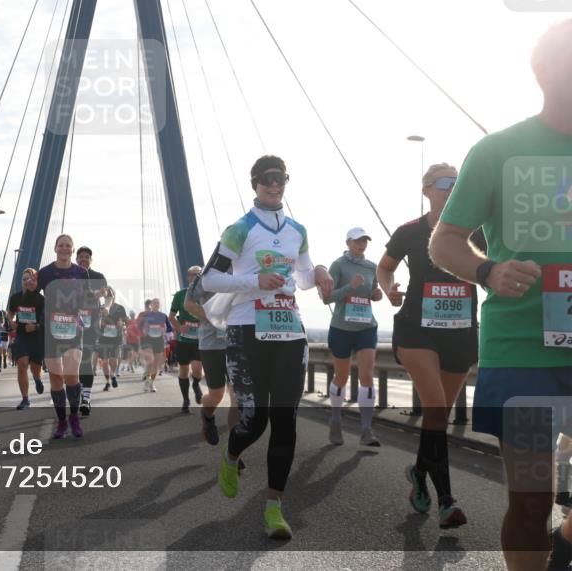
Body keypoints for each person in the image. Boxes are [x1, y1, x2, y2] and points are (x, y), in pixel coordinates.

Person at [428, 19, 572, 570]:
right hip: (522, 352)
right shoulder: (498, 151)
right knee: (532, 500)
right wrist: (488, 271)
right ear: (547, 74)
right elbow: (446, 240)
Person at [202, 155, 333, 540]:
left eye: (281, 180)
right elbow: (209, 279)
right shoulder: (240, 229)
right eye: (267, 181)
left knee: (286, 422)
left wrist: (321, 272)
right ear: (255, 184)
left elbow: (304, 277)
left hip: (289, 331)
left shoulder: (297, 230)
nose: (275, 187)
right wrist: (255, 281)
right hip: (247, 332)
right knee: (255, 418)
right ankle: (231, 454)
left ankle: (274, 506)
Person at [378, 163, 483, 529]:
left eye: (457, 183)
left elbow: (496, 263)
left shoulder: (477, 234)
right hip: (416, 331)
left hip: (461, 333)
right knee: (436, 406)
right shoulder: (409, 232)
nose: (452, 188)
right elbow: (385, 266)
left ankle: (419, 472)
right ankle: (447, 502)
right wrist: (389, 287)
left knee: (439, 416)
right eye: (444, 184)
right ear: (426, 190)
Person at [322, 227, 383, 447]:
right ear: (348, 242)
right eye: (358, 241)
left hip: (366, 326)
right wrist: (350, 286)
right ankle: (336, 419)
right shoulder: (338, 265)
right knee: (342, 376)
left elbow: (373, 292)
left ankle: (367, 430)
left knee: (367, 376)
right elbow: (326, 298)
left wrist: (377, 295)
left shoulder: (371, 267)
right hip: (342, 328)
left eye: (365, 240)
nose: (362, 244)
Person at [37, 234, 89, 438]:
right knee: (56, 378)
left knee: (71, 376)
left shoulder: (81, 272)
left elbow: (86, 299)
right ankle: (61, 422)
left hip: (73, 329)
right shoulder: (45, 272)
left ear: (72, 249)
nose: (64, 248)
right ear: (55, 248)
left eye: (68, 245)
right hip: (51, 331)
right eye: (61, 245)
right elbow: (33, 293)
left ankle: (74, 417)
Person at [183, 266, 240, 447]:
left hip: (238, 343)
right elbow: (189, 304)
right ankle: (207, 415)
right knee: (216, 394)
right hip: (212, 344)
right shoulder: (207, 274)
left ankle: (233, 451)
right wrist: (215, 318)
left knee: (237, 397)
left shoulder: (245, 269)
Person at [75, 246, 107, 416]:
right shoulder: (70, 275)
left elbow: (108, 295)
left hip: (91, 325)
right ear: (76, 259)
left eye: (86, 257)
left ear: (91, 260)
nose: (83, 259)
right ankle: (76, 391)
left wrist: (106, 307)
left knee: (86, 360)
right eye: (80, 257)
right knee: (73, 362)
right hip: (69, 324)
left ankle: (85, 397)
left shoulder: (98, 277)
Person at [8, 267, 46, 409]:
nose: (27, 282)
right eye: (24, 279)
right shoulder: (16, 297)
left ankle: (37, 379)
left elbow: (46, 319)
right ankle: (25, 399)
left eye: (30, 279)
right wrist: (11, 320)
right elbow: (10, 312)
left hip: (37, 337)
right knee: (22, 364)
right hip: (22, 335)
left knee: (36, 368)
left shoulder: (41, 299)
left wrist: (36, 326)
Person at [170, 266, 205, 414]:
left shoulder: (207, 295)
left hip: (200, 339)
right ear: (188, 277)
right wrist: (179, 327)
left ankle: (196, 384)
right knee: (184, 370)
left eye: (198, 275)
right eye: (192, 275)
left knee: (197, 369)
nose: (195, 278)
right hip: (183, 340)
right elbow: (171, 316)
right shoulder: (180, 295)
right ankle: (186, 400)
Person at [136, 298, 170, 392]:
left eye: (158, 302)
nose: (156, 304)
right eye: (154, 302)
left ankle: (151, 383)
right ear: (151, 305)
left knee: (155, 365)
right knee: (150, 362)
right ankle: (147, 380)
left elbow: (169, 328)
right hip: (147, 340)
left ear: (160, 305)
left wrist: (165, 329)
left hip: (158, 340)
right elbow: (139, 327)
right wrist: (144, 330)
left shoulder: (163, 316)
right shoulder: (146, 316)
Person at [97, 289, 128, 390]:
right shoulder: (101, 307)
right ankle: (107, 382)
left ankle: (113, 374)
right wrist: (99, 322)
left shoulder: (120, 308)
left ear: (114, 297)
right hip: (103, 338)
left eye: (110, 296)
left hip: (116, 337)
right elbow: (95, 321)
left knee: (113, 360)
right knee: (105, 362)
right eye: (106, 296)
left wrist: (122, 324)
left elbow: (126, 321)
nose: (108, 298)